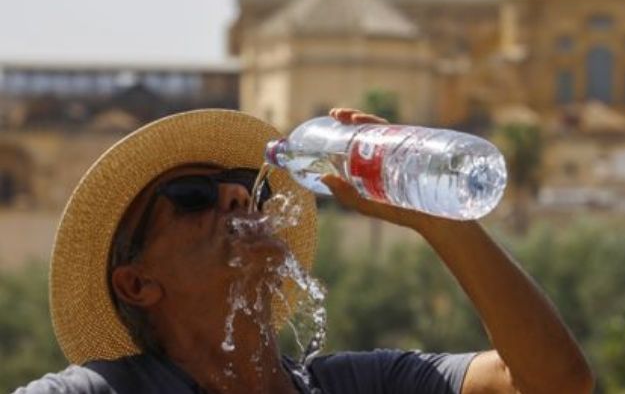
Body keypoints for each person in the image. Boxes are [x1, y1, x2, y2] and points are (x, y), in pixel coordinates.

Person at [14, 108, 593, 394]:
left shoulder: (360, 385)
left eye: (246, 182)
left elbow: (551, 384)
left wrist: (440, 222)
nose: (239, 195)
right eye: (191, 197)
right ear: (136, 284)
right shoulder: (106, 392)